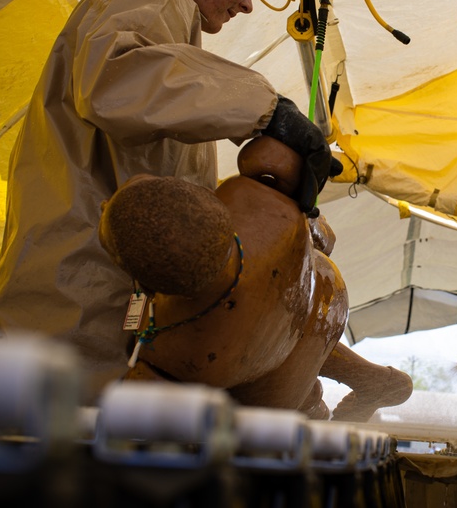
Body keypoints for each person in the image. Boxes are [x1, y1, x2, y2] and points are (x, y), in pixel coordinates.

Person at [0, 0, 338, 403]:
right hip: (72, 311)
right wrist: (267, 111)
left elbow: (156, 162)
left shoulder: (165, 10)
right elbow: (115, 77)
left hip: (84, 308)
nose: (247, 3)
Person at [100, 135, 412, 420]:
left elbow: (133, 412)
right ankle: (378, 384)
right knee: (304, 349)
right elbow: (323, 235)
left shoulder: (180, 349)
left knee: (298, 400)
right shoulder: (251, 199)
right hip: (323, 295)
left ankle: (359, 395)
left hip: (277, 373)